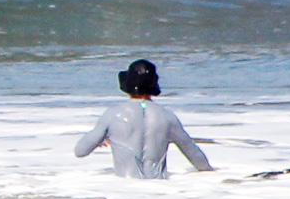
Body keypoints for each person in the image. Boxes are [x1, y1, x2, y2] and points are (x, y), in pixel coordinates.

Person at [74, 59, 215, 179]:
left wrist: (101, 139)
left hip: (124, 188)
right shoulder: (167, 117)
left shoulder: (113, 114)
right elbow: (199, 160)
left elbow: (80, 151)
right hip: (159, 189)